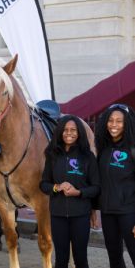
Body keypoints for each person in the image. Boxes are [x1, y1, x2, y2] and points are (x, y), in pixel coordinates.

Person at [40, 114, 100, 268]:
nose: (69, 133)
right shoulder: (52, 156)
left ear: (79, 132)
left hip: (80, 215)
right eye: (65, 130)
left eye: (73, 130)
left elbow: (96, 188)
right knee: (61, 259)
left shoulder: (88, 157)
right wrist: (57, 187)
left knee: (81, 259)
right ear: (60, 132)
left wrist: (78, 192)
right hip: (58, 216)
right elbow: (43, 184)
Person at [95, 103, 135, 268]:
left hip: (129, 213)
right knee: (114, 258)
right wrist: (93, 209)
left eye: (119, 121)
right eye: (111, 120)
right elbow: (99, 181)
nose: (114, 125)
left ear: (126, 124)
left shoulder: (133, 149)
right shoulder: (103, 149)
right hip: (108, 213)